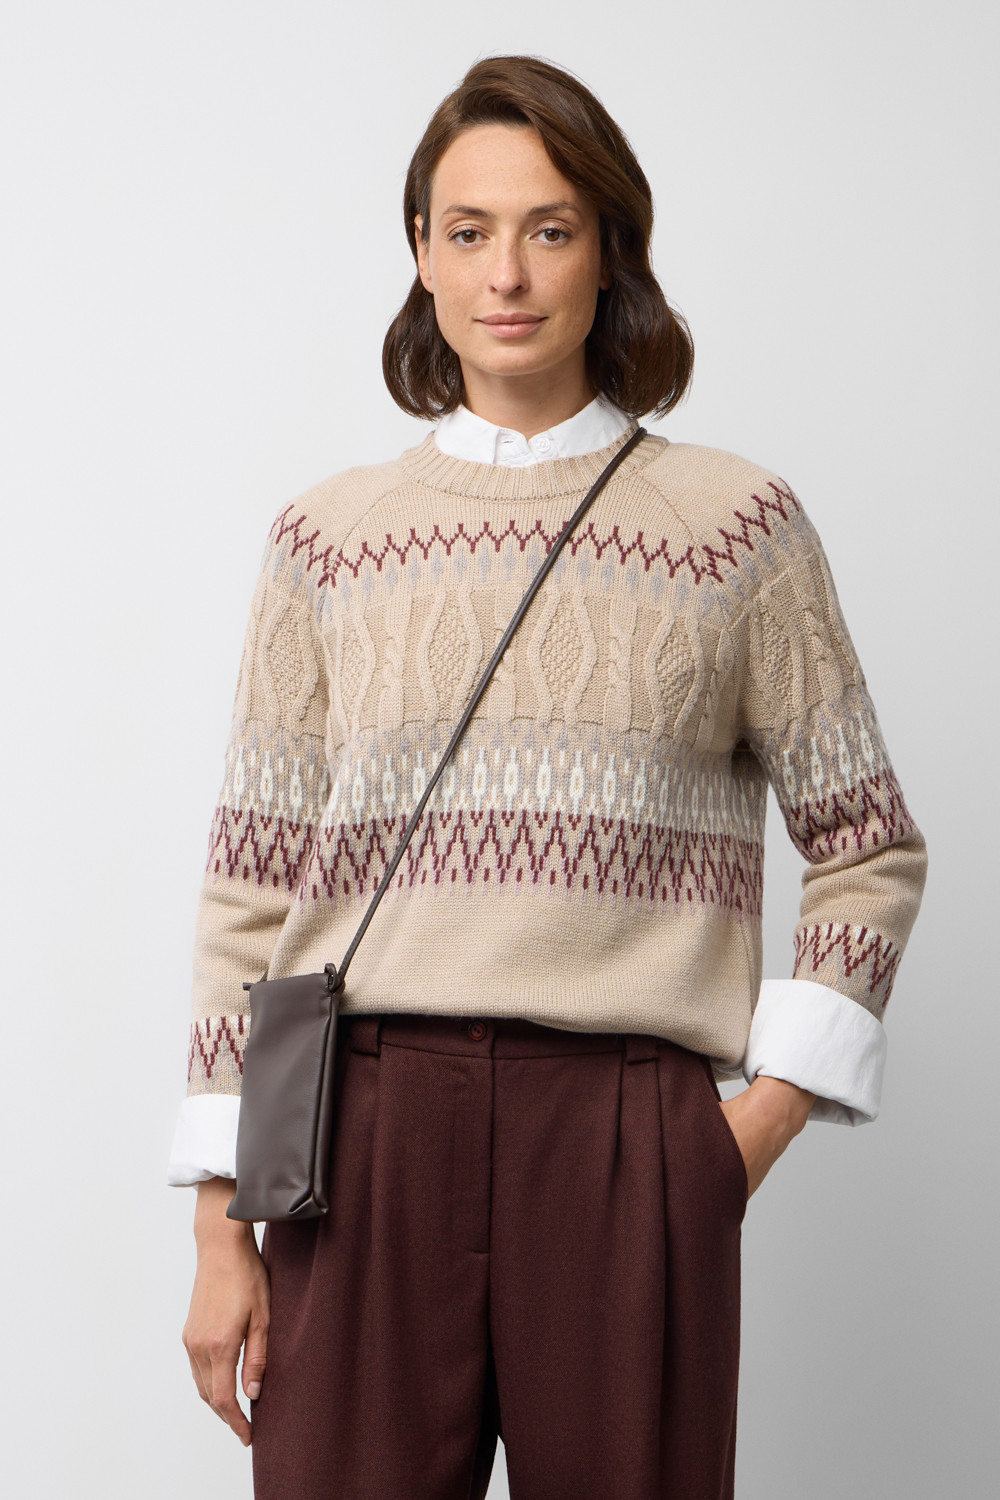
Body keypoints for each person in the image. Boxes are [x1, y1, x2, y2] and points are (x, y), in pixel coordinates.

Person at [168, 54, 928, 1500]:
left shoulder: (736, 528)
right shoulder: (327, 540)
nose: (505, 273)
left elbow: (868, 846)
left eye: (550, 228)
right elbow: (250, 887)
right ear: (421, 254)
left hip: (626, 1131)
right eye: (468, 231)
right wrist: (221, 1223)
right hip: (358, 1136)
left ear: (610, 251)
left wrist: (749, 1128)